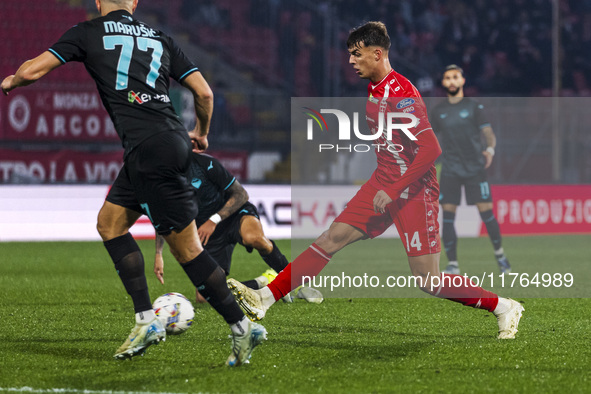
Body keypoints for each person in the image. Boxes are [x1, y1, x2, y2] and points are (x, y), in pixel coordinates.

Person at [1, 0, 265, 366]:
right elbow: (204, 93)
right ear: (135, 3)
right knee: (109, 223)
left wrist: (11, 80)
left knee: (187, 250)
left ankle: (241, 327)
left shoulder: (88, 31)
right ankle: (146, 319)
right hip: (165, 141)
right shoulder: (159, 37)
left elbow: (32, 72)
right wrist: (201, 133)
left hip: (148, 148)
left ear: (97, 2)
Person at [226, 22, 524, 340]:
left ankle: (504, 307)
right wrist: (387, 184)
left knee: (430, 281)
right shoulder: (374, 87)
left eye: (357, 54)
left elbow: (432, 149)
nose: (351, 61)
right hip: (382, 184)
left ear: (377, 53)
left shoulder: (403, 94)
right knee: (330, 239)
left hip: (414, 192)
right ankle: (266, 298)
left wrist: (395, 188)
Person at [152, 143, 320, 303]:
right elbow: (163, 217)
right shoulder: (165, 182)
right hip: (209, 235)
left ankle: (297, 285)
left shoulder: (206, 164)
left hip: (233, 216)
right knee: (205, 297)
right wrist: (159, 254)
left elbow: (241, 194)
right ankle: (266, 282)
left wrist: (214, 219)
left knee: (255, 239)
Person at [430, 65, 511, 275]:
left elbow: (488, 133)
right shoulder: (438, 111)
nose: (452, 81)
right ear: (444, 83)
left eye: (455, 77)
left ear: (463, 81)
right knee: (447, 216)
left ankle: (501, 257)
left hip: (475, 168)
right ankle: (453, 264)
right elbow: (430, 140)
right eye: (447, 78)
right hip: (450, 170)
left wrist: (490, 150)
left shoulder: (474, 107)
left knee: (486, 214)